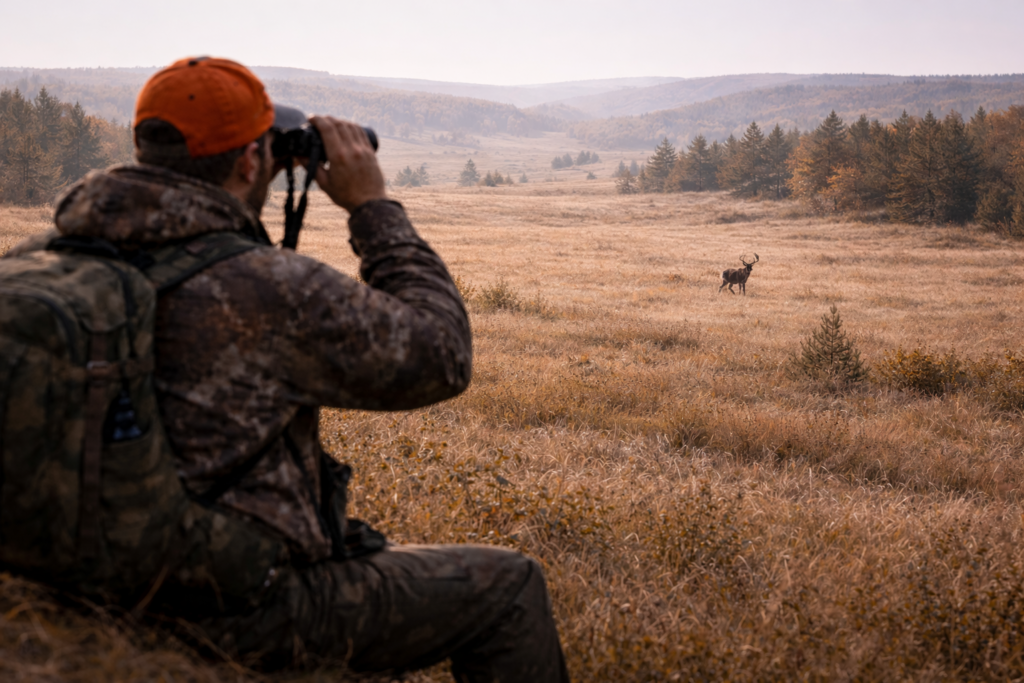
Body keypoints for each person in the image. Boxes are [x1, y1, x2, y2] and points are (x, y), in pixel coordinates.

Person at [44, 57, 569, 681]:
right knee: (510, 587)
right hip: (222, 607)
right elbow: (442, 355)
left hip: (69, 580)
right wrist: (372, 207)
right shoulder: (263, 289)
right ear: (250, 163)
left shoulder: (46, 262)